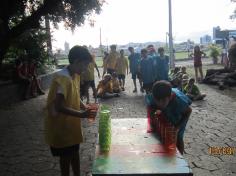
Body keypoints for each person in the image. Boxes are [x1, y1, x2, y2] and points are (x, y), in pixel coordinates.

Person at [44, 45, 96, 176]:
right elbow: (58, 106)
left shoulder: (75, 75)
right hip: (62, 127)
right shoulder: (63, 79)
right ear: (77, 61)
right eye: (84, 65)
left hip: (72, 126)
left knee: (75, 153)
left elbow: (75, 96)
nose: (85, 69)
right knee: (66, 158)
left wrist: (85, 107)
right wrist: (82, 114)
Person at [146, 81, 192, 154]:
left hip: (179, 114)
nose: (160, 104)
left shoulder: (179, 101)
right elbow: (150, 107)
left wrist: (177, 127)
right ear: (154, 97)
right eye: (157, 101)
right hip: (167, 110)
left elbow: (188, 111)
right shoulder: (152, 97)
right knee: (163, 130)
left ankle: (180, 156)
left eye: (163, 101)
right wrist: (152, 120)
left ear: (170, 97)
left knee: (178, 137)